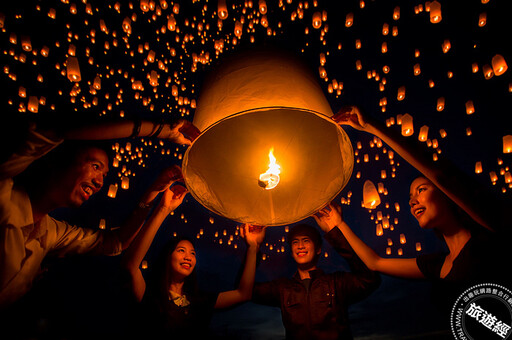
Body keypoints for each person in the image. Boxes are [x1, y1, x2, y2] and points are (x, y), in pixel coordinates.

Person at [326, 105, 512, 318]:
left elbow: (440, 176)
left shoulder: (490, 235)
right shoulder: (436, 265)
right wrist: (338, 223)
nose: (413, 202)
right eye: (410, 197)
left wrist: (372, 127)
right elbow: (374, 262)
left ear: (446, 195)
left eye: (421, 190)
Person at [0, 115, 200, 309]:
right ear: (59, 158)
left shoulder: (50, 233)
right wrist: (161, 130)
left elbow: (117, 242)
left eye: (104, 175)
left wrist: (154, 191)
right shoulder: (4, 191)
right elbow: (54, 129)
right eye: (95, 166)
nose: (99, 183)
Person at [120, 174, 266, 338]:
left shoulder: (199, 301)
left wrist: (253, 247)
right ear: (168, 257)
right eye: (181, 250)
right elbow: (131, 265)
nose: (188, 256)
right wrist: (163, 209)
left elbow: (243, 294)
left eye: (192, 253)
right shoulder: (151, 296)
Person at [251, 223, 380, 340]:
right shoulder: (282, 289)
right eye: (295, 242)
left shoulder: (336, 283)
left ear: (318, 249)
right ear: (292, 252)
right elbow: (246, 291)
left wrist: (334, 232)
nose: (300, 246)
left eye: (306, 241)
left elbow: (370, 278)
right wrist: (253, 247)